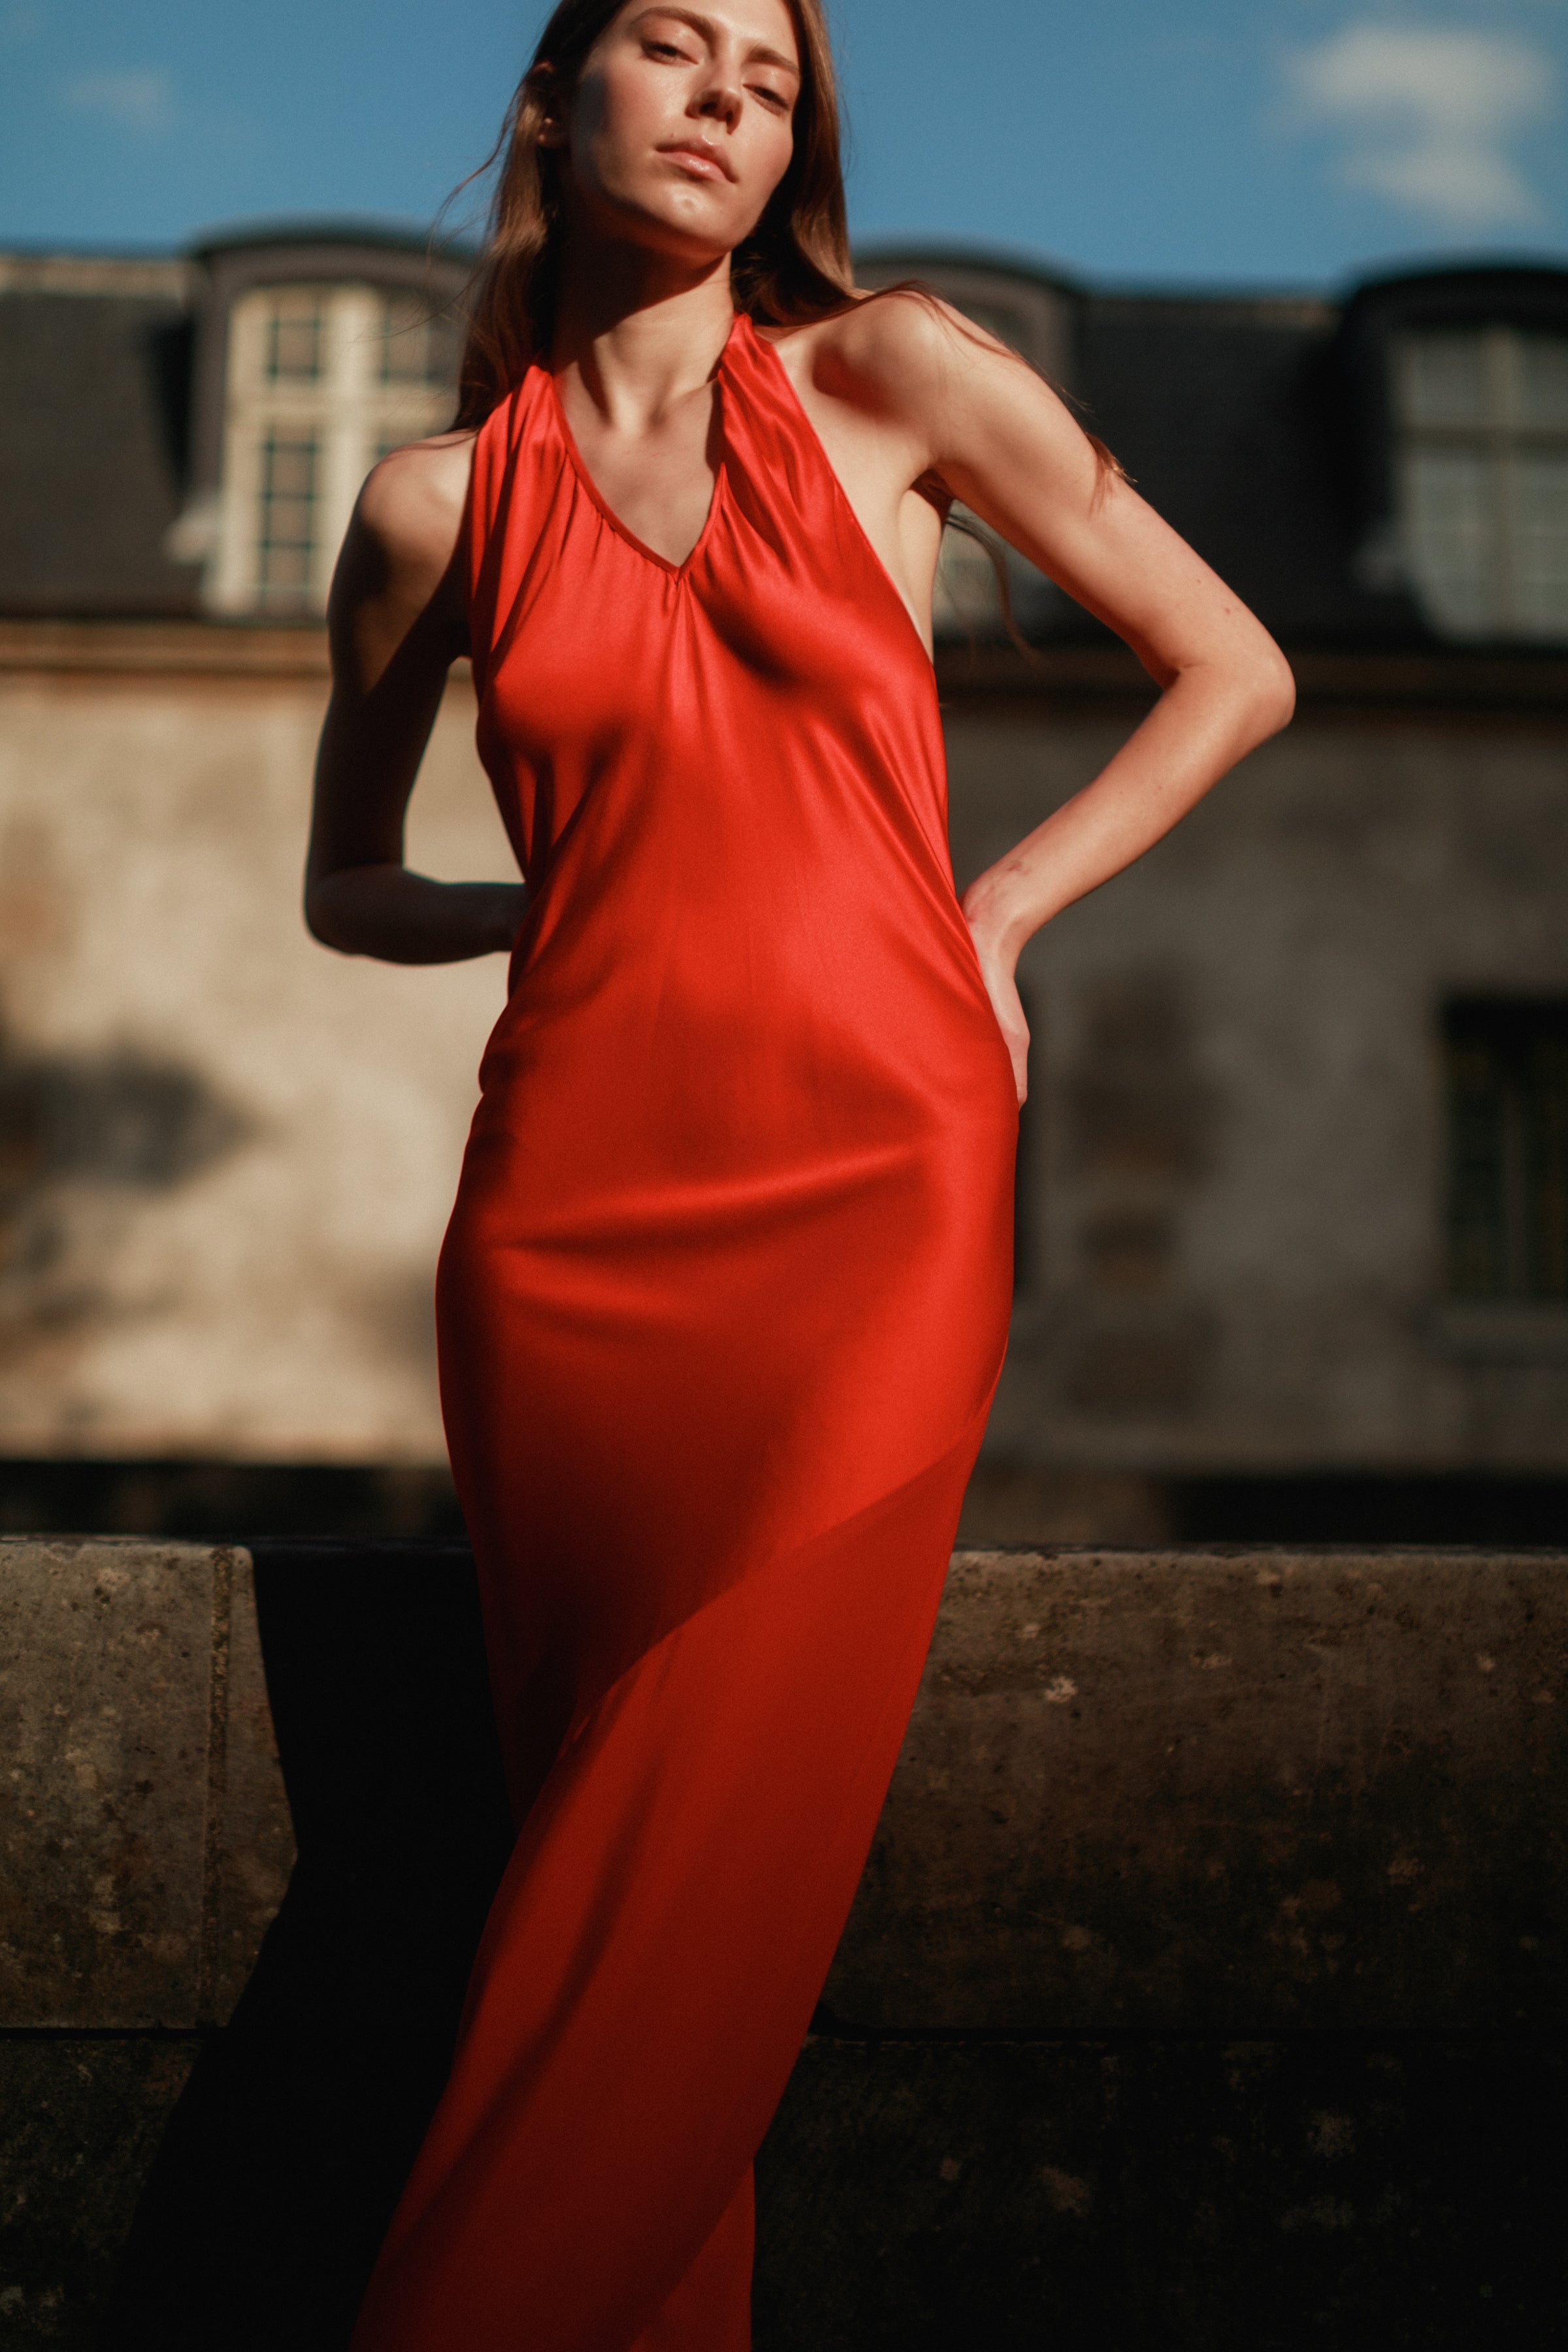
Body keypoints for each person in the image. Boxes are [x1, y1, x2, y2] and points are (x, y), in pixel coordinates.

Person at [303, 1, 1295, 2342]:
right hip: (564, 1234)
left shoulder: (897, 380)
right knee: (624, 1881)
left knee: (682, 1854)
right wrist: (570, 906)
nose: (738, 90)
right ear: (558, 102)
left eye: (777, 70)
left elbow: (1232, 665)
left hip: (876, 1187)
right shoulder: (435, 505)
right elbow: (349, 885)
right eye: (677, 42)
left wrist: (997, 917)